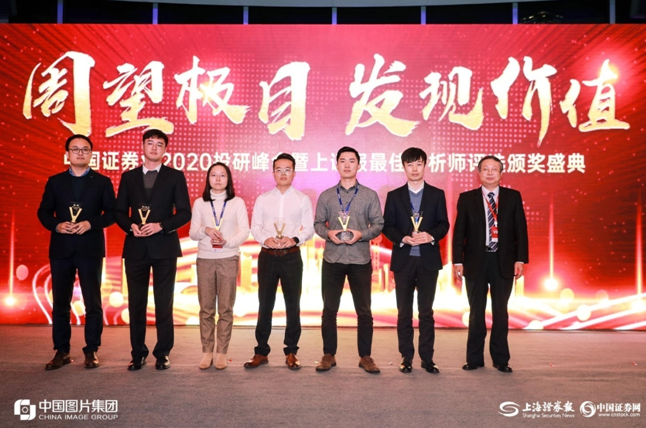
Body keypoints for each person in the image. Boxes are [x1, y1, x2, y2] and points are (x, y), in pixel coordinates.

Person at [37, 134, 116, 370]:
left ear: (91, 154)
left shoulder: (102, 182)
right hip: (61, 248)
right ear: (67, 154)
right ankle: (61, 351)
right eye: (75, 149)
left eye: (85, 149)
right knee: (61, 302)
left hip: (90, 248)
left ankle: (91, 350)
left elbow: (112, 214)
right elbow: (43, 212)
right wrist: (57, 225)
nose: (80, 153)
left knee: (93, 301)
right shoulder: (55, 182)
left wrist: (91, 224)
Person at [115, 129, 191, 371]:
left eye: (159, 144)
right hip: (136, 247)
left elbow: (185, 213)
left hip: (164, 248)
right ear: (143, 146)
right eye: (150, 143)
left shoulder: (175, 176)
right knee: (136, 304)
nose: (154, 147)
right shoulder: (129, 177)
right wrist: (131, 227)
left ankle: (163, 352)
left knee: (163, 303)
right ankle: (137, 353)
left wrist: (162, 226)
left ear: (165, 149)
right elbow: (119, 212)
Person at [452, 155, 528, 373]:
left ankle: (501, 359)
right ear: (479, 173)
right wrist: (458, 261)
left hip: (503, 261)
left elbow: (521, 230)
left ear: (501, 173)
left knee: (500, 311)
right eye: (485, 169)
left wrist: (520, 259)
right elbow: (459, 232)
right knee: (476, 312)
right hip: (475, 261)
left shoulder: (513, 197)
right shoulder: (467, 198)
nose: (490, 173)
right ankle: (474, 359)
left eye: (494, 169)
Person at [314, 146, 384, 374]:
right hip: (333, 259)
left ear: (359, 165)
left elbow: (379, 224)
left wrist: (361, 234)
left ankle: (366, 356)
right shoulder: (326, 195)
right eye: (342, 160)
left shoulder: (369, 195)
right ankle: (328, 355)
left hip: (360, 259)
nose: (347, 165)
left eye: (351, 160)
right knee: (329, 310)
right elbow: (317, 224)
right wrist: (329, 233)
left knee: (364, 311)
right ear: (336, 165)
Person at [244, 153, 314, 370]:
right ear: (273, 173)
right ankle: (261, 351)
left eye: (287, 170)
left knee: (293, 305)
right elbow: (255, 227)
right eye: (279, 170)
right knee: (265, 304)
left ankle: (291, 351)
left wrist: (295, 239)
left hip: (291, 255)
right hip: (268, 256)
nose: (283, 173)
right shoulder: (263, 199)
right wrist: (266, 239)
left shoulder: (302, 199)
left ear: (294, 173)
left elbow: (309, 228)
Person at [382, 147, 449, 374]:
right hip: (404, 261)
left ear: (425, 166)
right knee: (404, 313)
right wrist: (402, 238)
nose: (414, 169)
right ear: (403, 167)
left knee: (426, 312)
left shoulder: (437, 194)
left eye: (418, 164)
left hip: (428, 261)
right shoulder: (394, 196)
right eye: (410, 164)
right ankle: (406, 356)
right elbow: (387, 226)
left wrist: (431, 236)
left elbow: (444, 224)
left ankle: (427, 358)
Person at [189, 162, 249, 370]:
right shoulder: (200, 203)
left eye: (222, 175)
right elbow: (192, 233)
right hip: (205, 259)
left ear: (228, 179)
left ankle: (222, 352)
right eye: (213, 175)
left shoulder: (237, 203)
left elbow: (244, 231)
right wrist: (205, 230)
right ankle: (207, 351)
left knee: (225, 308)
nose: (217, 179)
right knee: (206, 309)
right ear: (208, 179)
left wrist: (228, 242)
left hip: (228, 258)